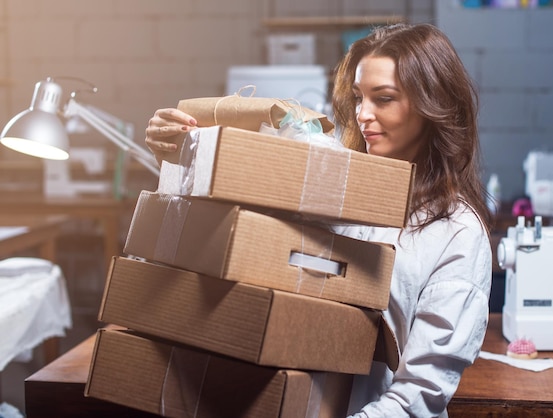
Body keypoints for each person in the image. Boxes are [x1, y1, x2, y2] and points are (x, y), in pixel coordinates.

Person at [145, 23, 492, 418]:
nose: (363, 115)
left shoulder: (456, 233)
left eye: (384, 99)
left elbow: (420, 394)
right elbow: (236, 234)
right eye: (359, 97)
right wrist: (181, 153)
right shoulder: (330, 189)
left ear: (434, 105)